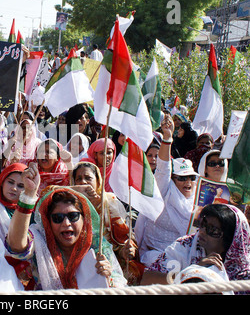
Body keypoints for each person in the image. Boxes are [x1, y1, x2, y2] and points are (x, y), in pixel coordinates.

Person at [6, 164, 127, 290]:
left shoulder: (98, 247)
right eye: (57, 218)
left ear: (84, 219)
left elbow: (120, 286)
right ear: (48, 222)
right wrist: (28, 194)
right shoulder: (41, 241)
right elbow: (16, 247)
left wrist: (108, 278)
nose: (66, 223)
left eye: (73, 216)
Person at [140, 204, 250, 294]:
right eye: (202, 224)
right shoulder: (186, 246)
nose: (202, 231)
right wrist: (192, 272)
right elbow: (147, 281)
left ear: (232, 238)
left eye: (212, 229)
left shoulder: (244, 272)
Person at [135, 116, 199, 267]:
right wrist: (167, 138)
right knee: (172, 266)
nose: (187, 182)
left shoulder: (198, 200)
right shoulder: (165, 191)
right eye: (182, 178)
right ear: (172, 179)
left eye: (191, 177)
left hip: (186, 258)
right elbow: (163, 169)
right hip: (155, 255)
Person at [69, 161, 143, 285]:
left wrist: (126, 249)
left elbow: (123, 238)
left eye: (88, 178)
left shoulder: (109, 202)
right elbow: (46, 192)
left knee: (135, 273)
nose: (83, 182)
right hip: (76, 259)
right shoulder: (69, 204)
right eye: (78, 179)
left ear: (98, 181)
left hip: (111, 258)